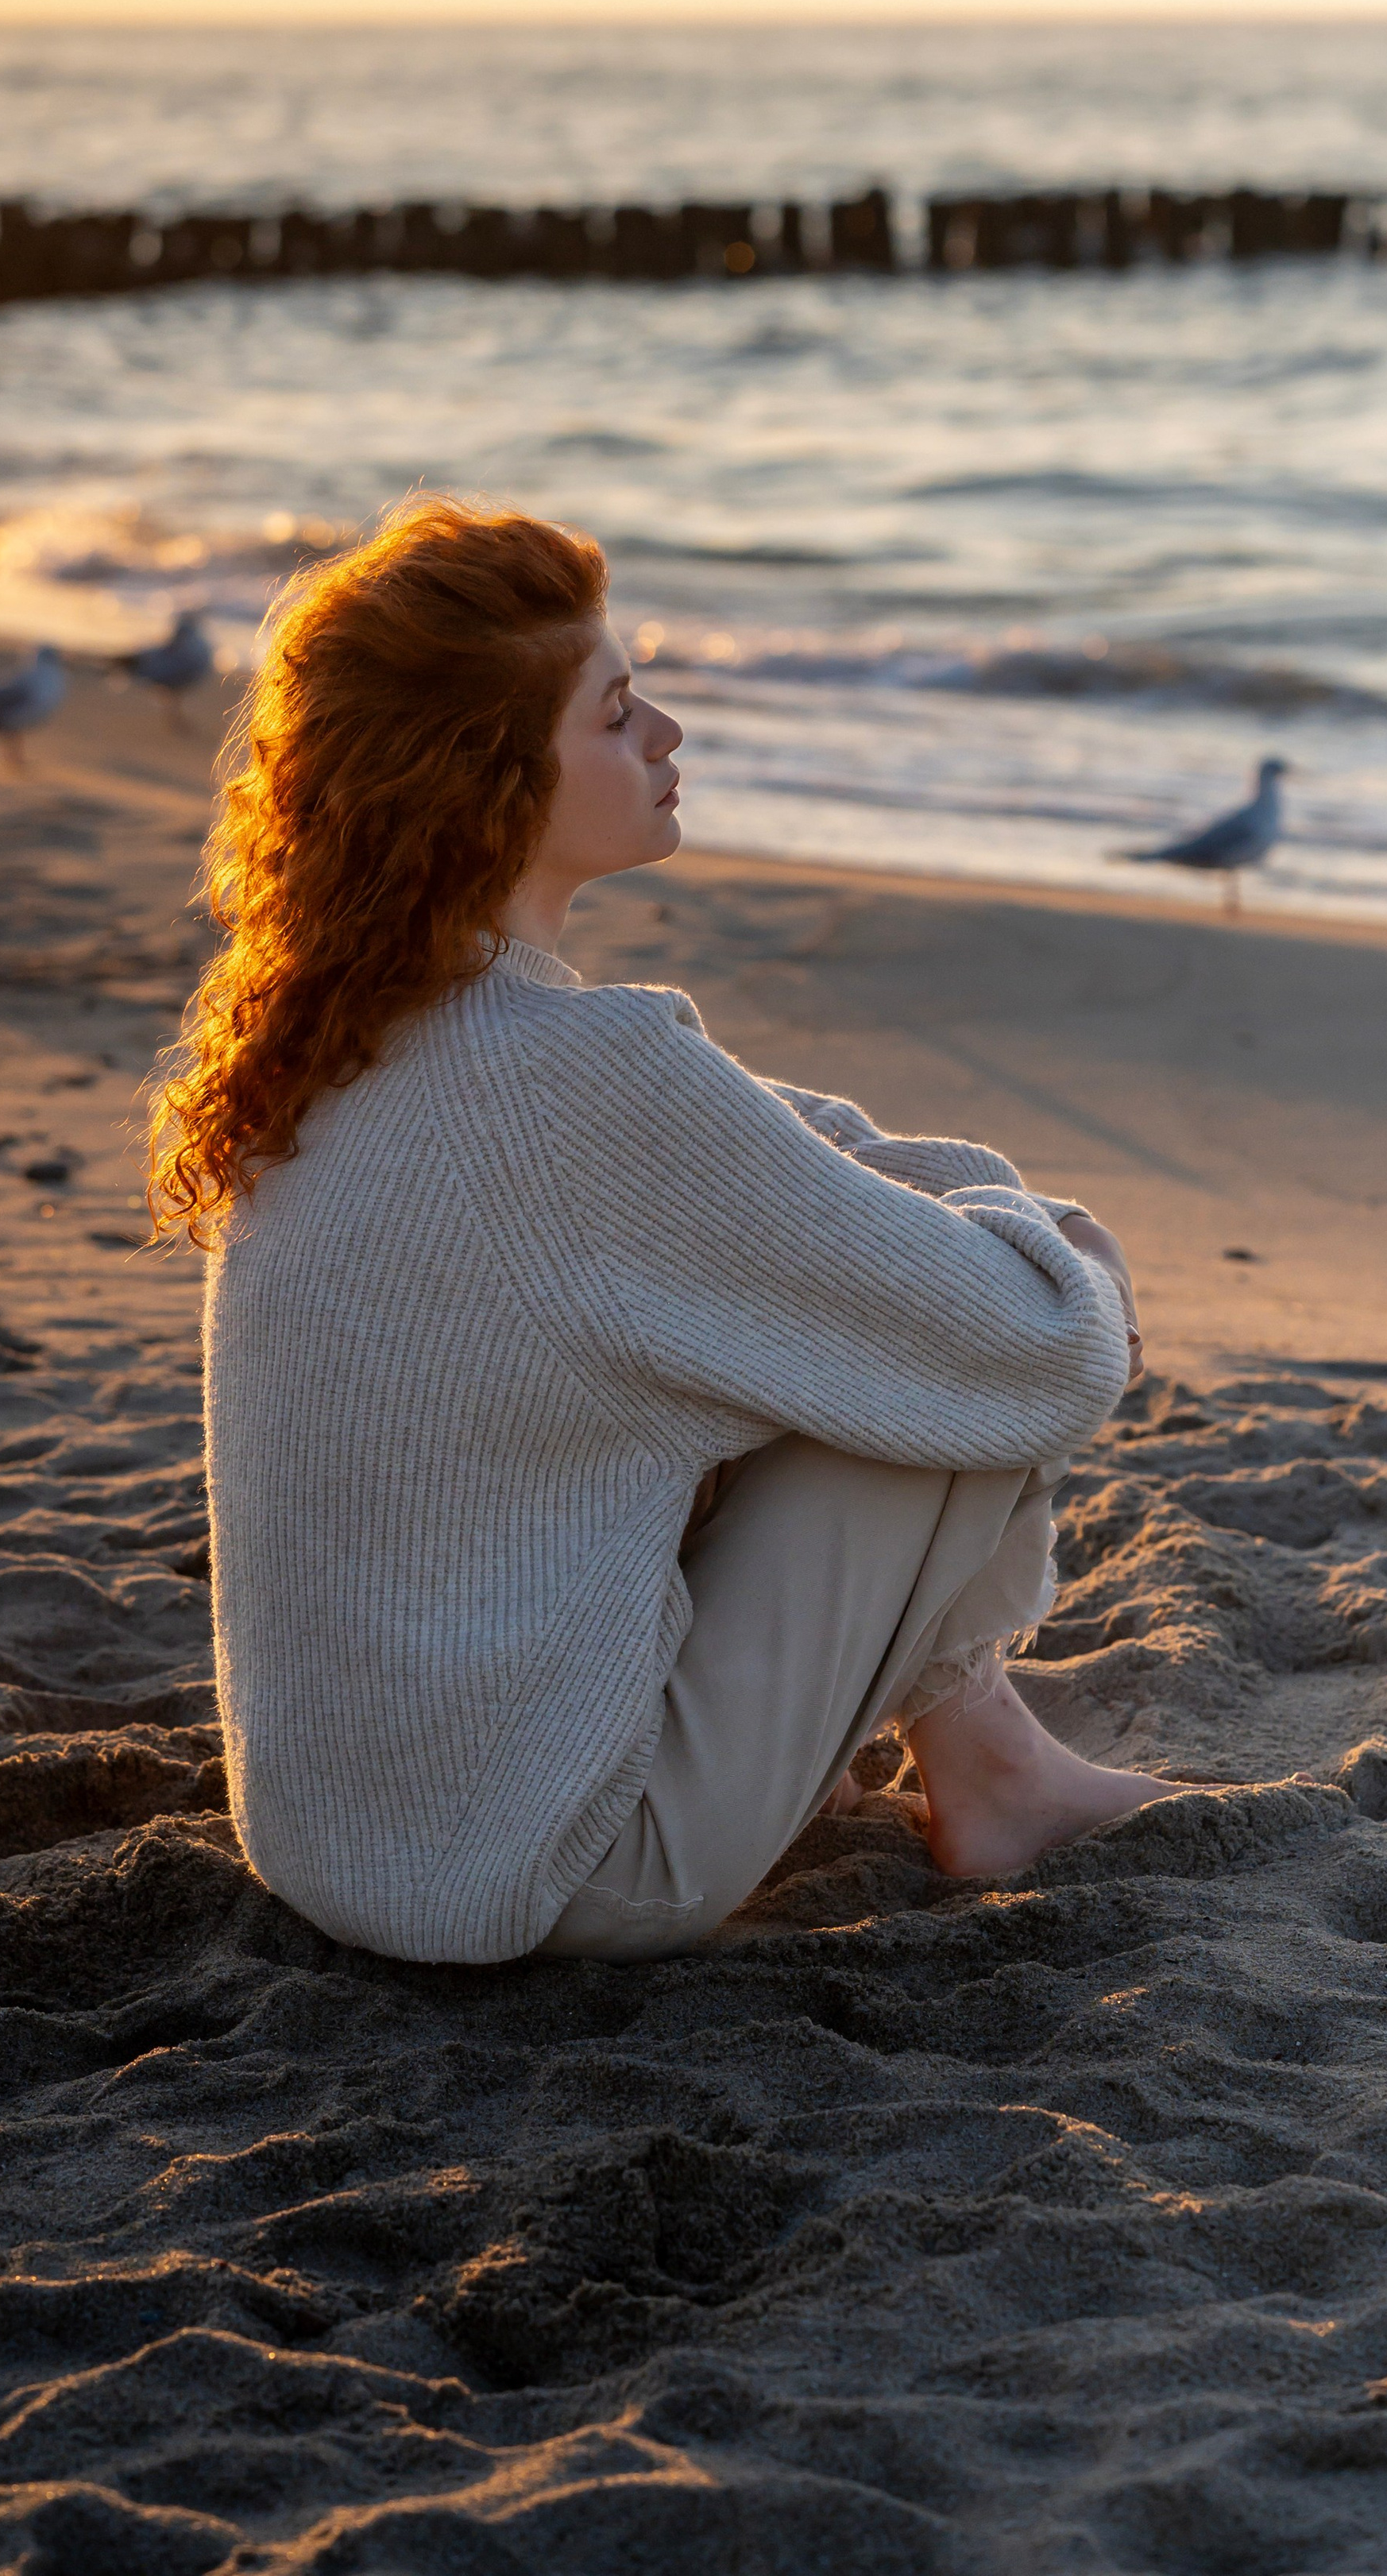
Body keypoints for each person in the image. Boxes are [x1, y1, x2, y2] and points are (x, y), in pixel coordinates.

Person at [153, 495, 1173, 1967]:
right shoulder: (577, 1080)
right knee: (960, 1358)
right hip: (565, 1868)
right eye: (620, 714)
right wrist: (1068, 1237)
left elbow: (772, 1155)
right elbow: (1037, 1357)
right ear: (488, 783)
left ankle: (992, 1761)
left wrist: (1001, 1221)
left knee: (860, 1312)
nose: (670, 736)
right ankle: (996, 1778)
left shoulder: (341, 1031)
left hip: (338, 1843)